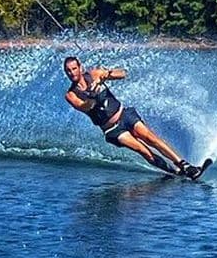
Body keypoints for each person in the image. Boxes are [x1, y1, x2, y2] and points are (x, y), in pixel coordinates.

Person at [63, 56, 202, 178]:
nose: (72, 73)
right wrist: (93, 94)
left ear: (80, 67)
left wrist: (106, 74)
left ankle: (185, 165)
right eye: (68, 71)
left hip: (124, 115)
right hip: (112, 130)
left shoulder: (94, 74)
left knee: (150, 138)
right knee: (143, 150)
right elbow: (84, 106)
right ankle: (175, 172)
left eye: (74, 69)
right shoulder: (70, 94)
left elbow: (123, 74)